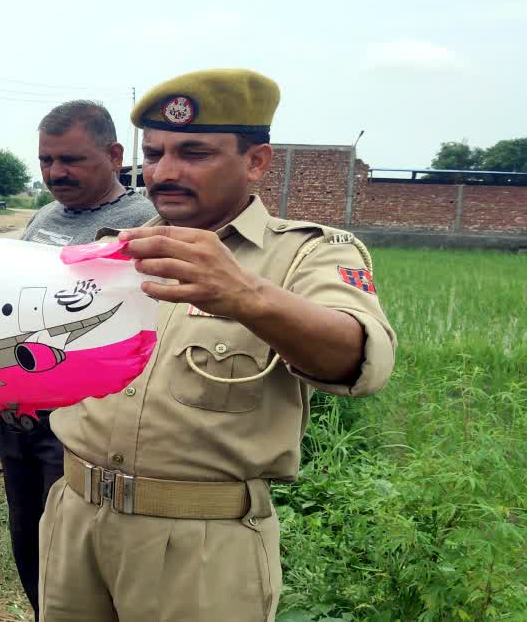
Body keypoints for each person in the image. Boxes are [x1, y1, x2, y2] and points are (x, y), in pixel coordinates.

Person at [36, 69, 398, 621]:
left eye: (195, 153)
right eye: (155, 153)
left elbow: (360, 359)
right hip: (74, 520)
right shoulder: (111, 253)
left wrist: (245, 295)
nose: (165, 172)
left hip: (200, 546)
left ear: (256, 162)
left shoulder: (307, 255)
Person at [0, 100, 155, 620]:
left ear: (114, 155)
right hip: (23, 415)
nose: (55, 173)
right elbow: (14, 312)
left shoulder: (146, 225)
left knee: (73, 550)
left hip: (90, 422)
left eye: (71, 160)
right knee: (28, 537)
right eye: (46, 160)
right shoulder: (45, 218)